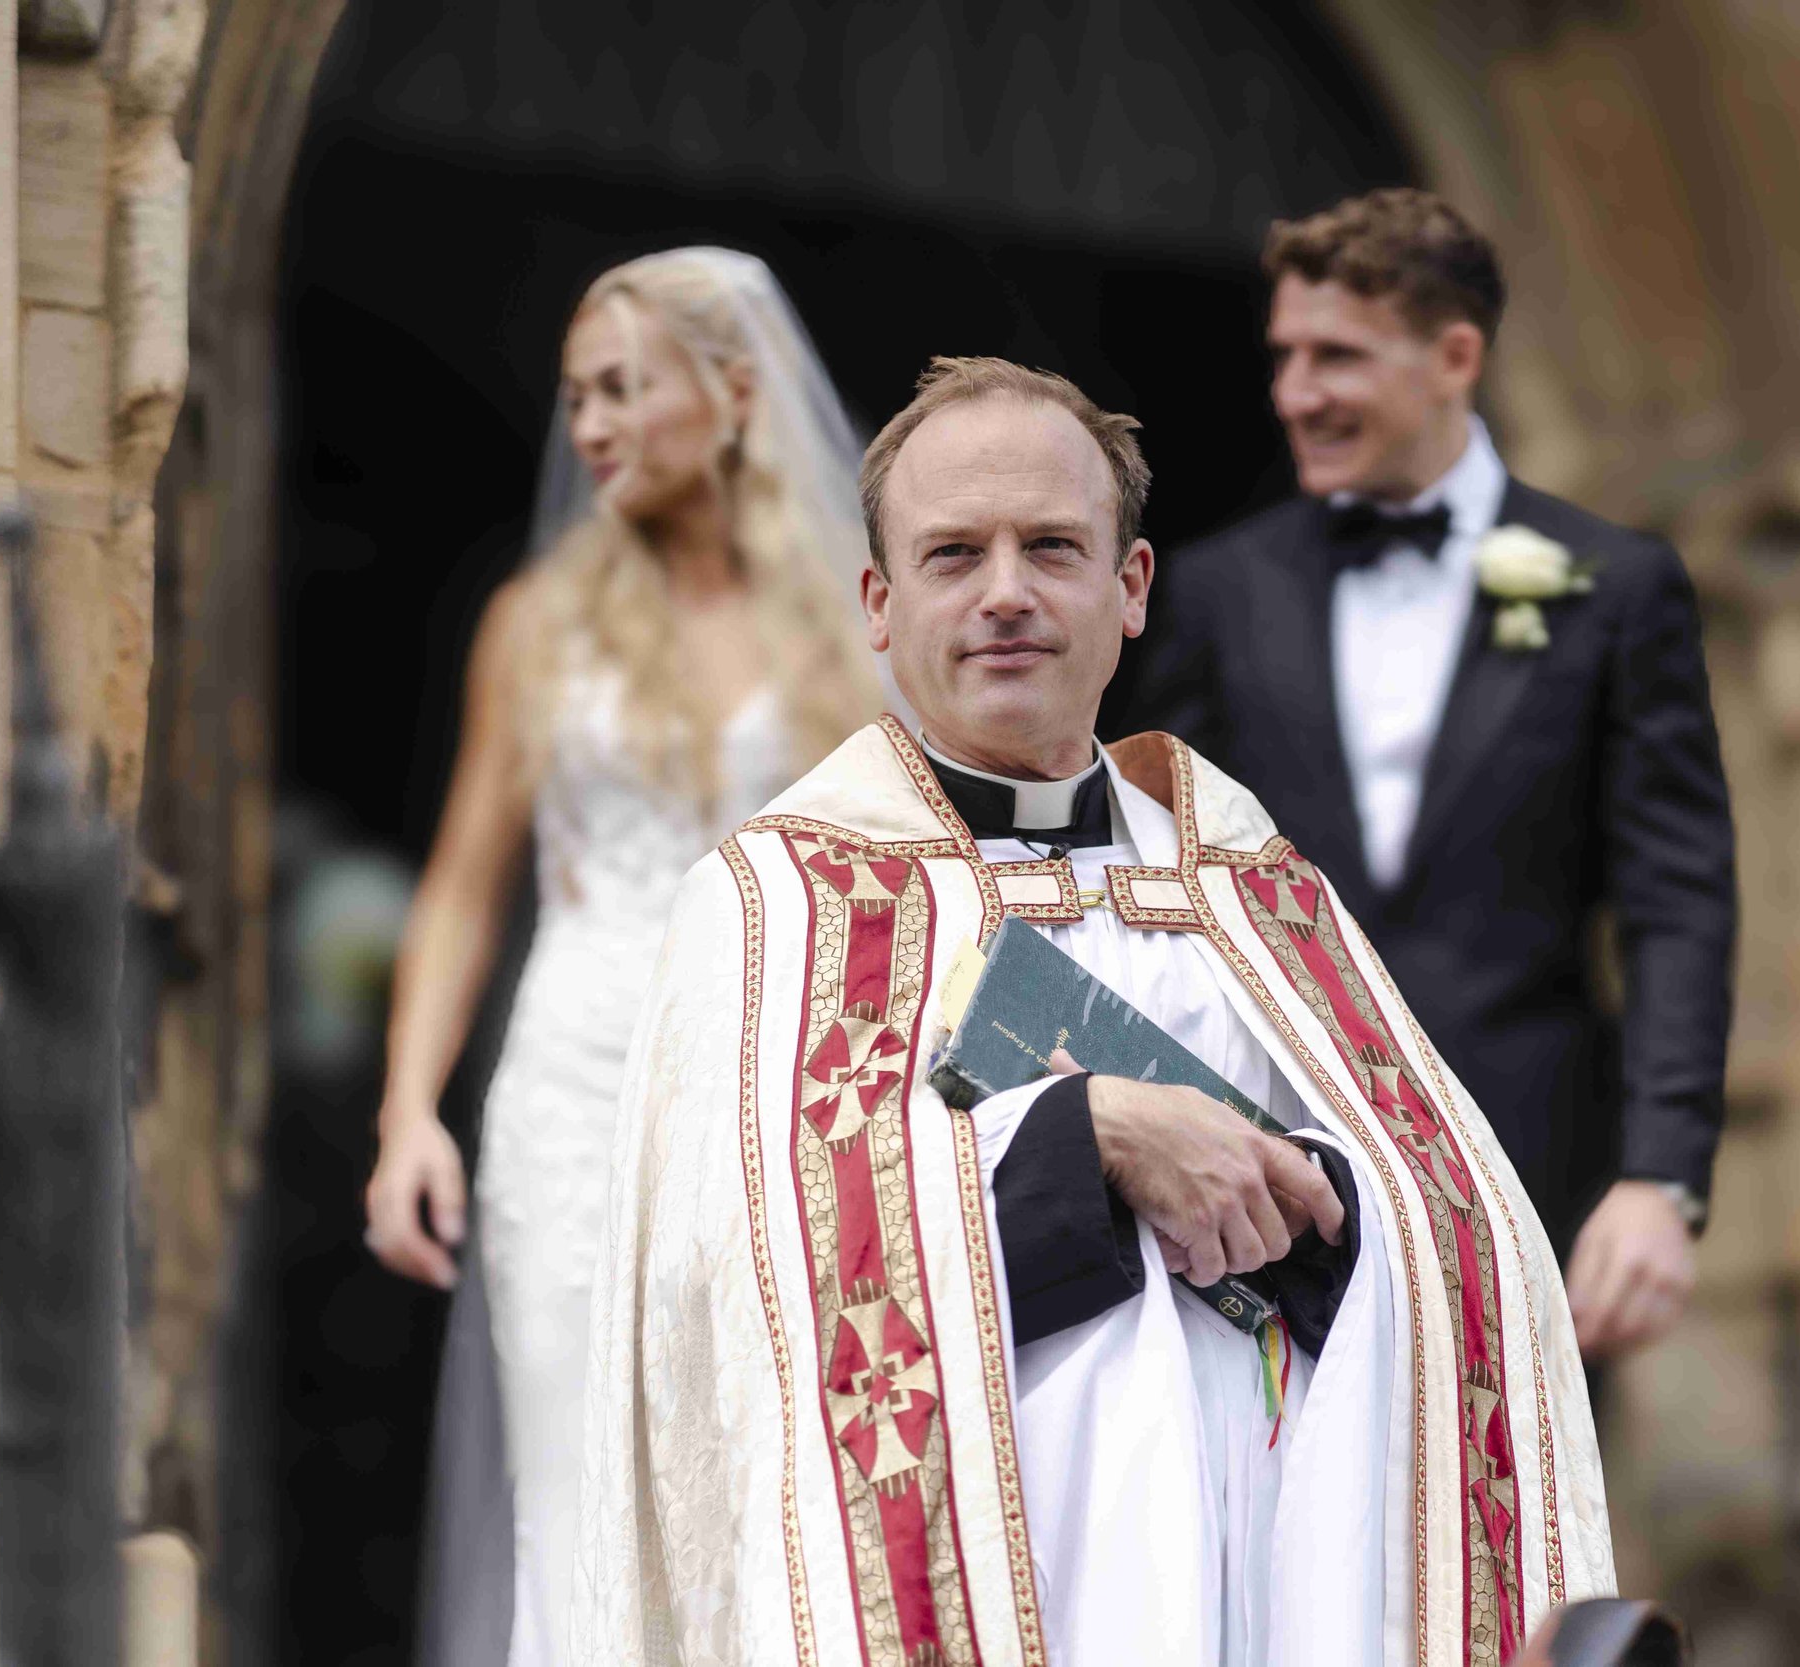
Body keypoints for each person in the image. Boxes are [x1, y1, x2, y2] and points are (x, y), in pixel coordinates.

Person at [573, 357, 1613, 1666]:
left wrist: (1315, 1192)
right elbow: (732, 1294)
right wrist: (1086, 1133)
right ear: (880, 607)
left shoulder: (1254, 883)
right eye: (955, 553)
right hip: (1007, 1565)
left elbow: (1457, 1224)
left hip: (1283, 1557)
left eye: (1052, 547)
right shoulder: (781, 900)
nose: (1006, 591)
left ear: (1130, 590)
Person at [359, 247, 884, 1667]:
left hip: (775, 1090)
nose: (587, 427)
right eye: (576, 396)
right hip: (575, 1090)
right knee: (580, 1487)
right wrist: (411, 1112)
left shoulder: (847, 621)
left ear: (730, 393)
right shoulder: (538, 621)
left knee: (765, 1485)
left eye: (621, 389)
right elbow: (464, 889)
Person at [1128, 190, 1738, 1361]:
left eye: (1336, 356)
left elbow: (1676, 900)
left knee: (1520, 1535)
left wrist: (1662, 1176)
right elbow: (1157, 872)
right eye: (1286, 356)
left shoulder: (1610, 586)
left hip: (1527, 1168)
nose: (1294, 391)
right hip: (1266, 1161)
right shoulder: (1215, 593)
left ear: (1454, 356)